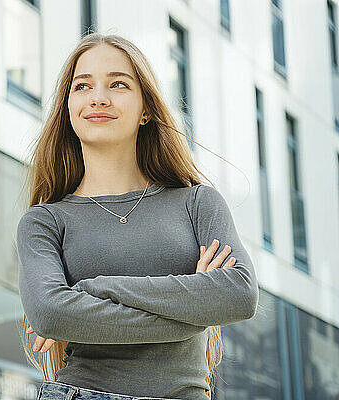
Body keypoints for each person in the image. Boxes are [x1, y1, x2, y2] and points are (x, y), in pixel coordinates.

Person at [15, 33, 259, 400]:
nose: (99, 97)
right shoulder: (44, 222)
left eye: (117, 84)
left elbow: (239, 295)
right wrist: (193, 309)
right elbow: (51, 315)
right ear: (68, 108)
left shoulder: (197, 204)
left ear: (146, 109)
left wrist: (93, 290)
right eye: (83, 86)